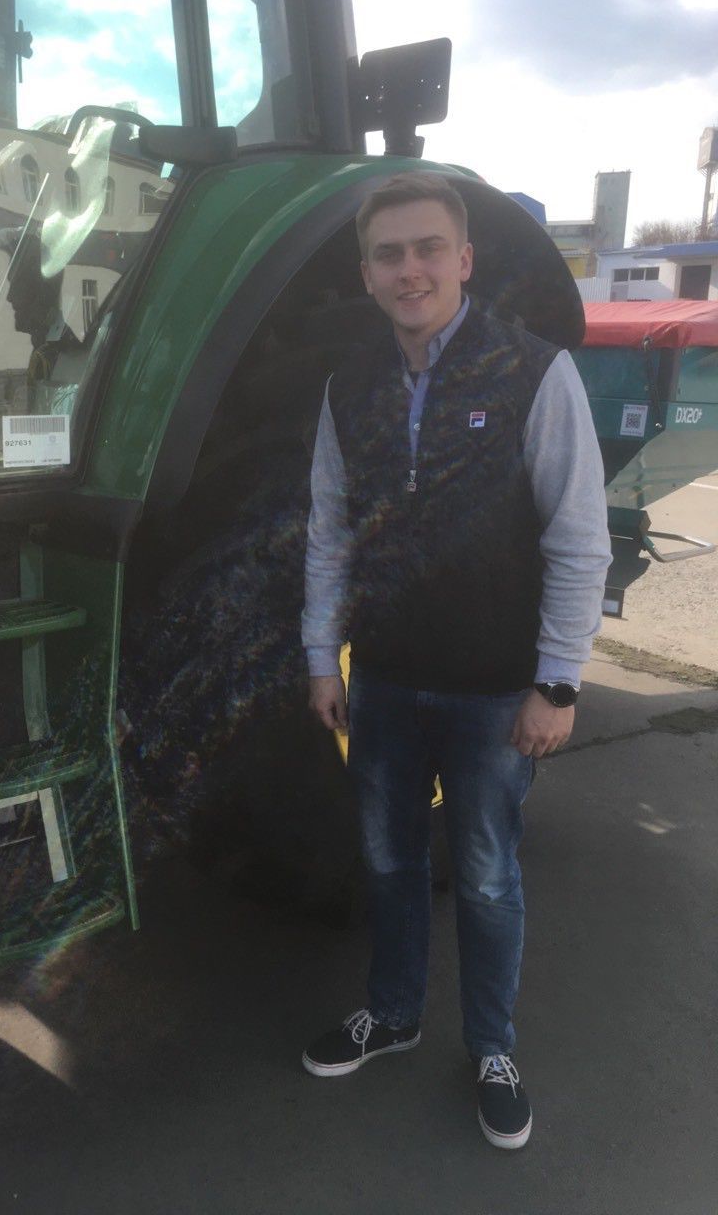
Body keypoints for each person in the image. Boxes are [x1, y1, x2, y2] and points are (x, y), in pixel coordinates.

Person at [300, 172, 611, 1149]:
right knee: (391, 862)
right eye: (388, 253)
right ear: (367, 272)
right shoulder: (348, 388)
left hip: (492, 693)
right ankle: (394, 1014)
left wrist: (556, 682)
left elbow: (579, 539)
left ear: (464, 259)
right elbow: (329, 531)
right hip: (386, 682)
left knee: (484, 876)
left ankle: (492, 1048)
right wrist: (322, 654)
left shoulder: (533, 372)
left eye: (428, 248)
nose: (411, 269)